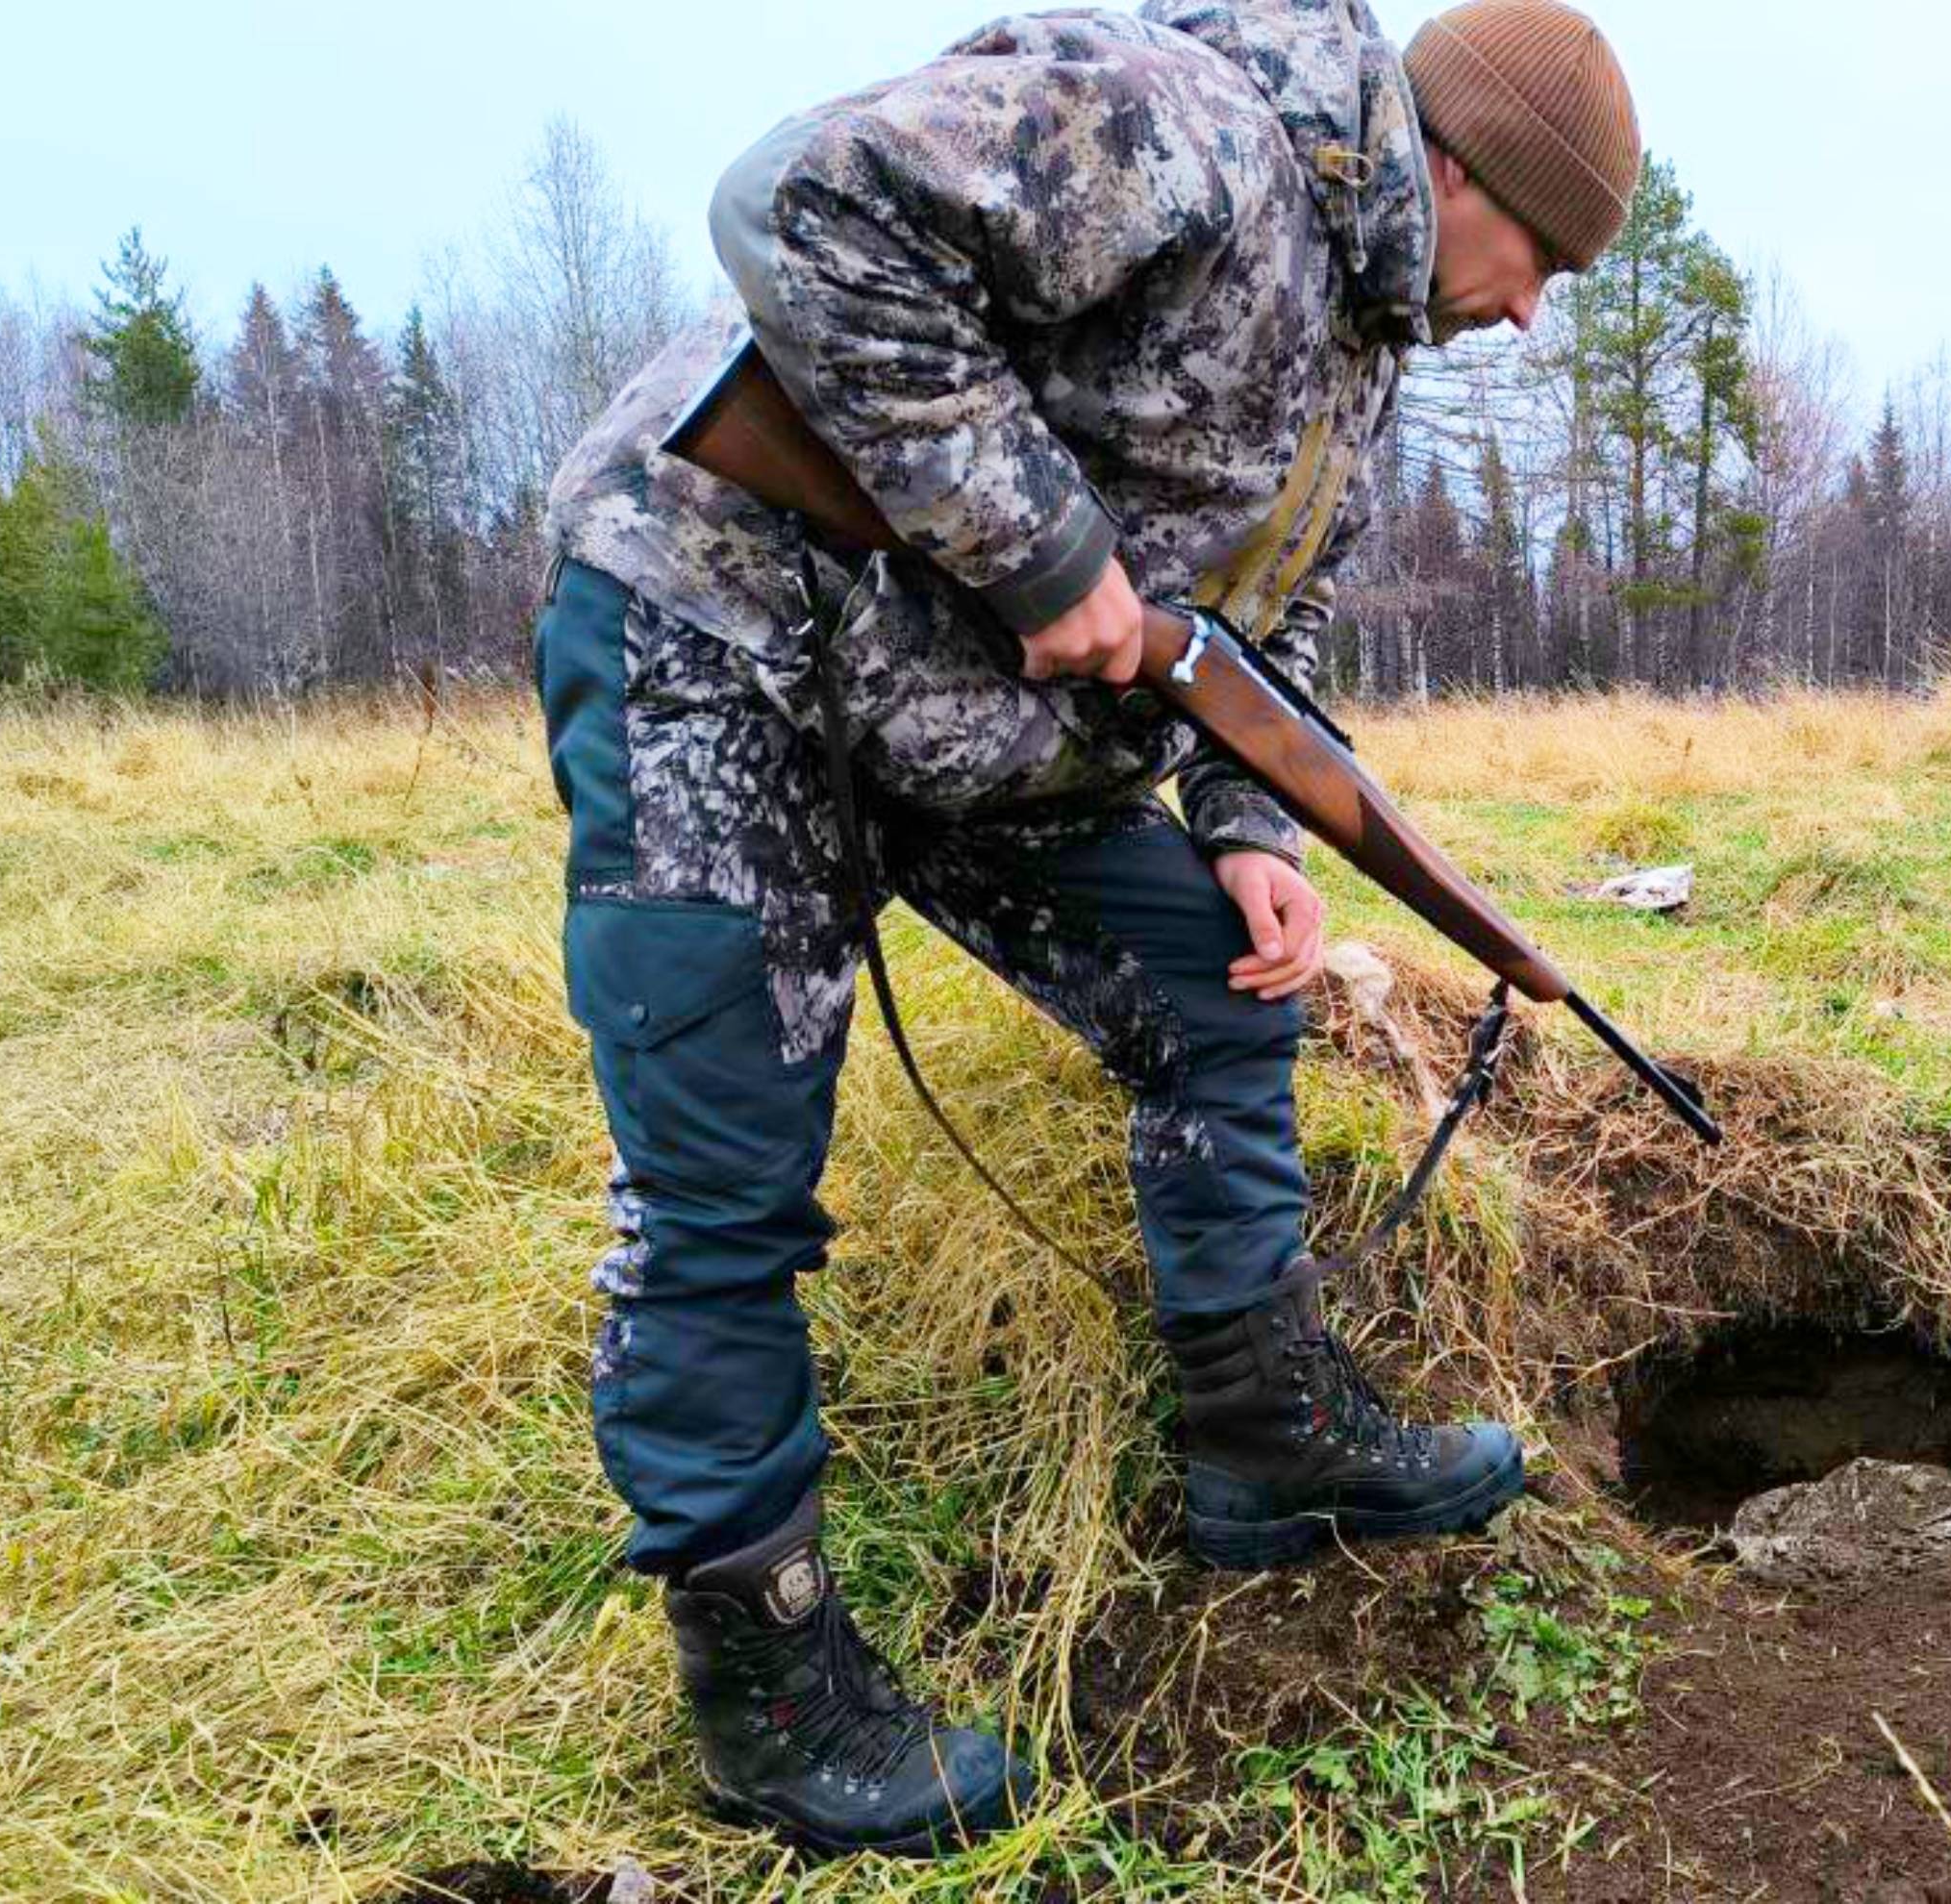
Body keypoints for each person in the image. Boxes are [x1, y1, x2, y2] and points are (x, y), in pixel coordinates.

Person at [530, 0, 1640, 1858]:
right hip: (723, 629)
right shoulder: (1189, 129)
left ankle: (1267, 1442)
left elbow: (1254, 618)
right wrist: (1045, 552)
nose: (1533, 313)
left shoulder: (1365, 341)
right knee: (722, 1183)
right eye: (1545, 260)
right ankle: (769, 1692)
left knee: (1221, 980)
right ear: (1461, 173)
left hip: (962, 713)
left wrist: (1246, 826)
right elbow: (800, 205)